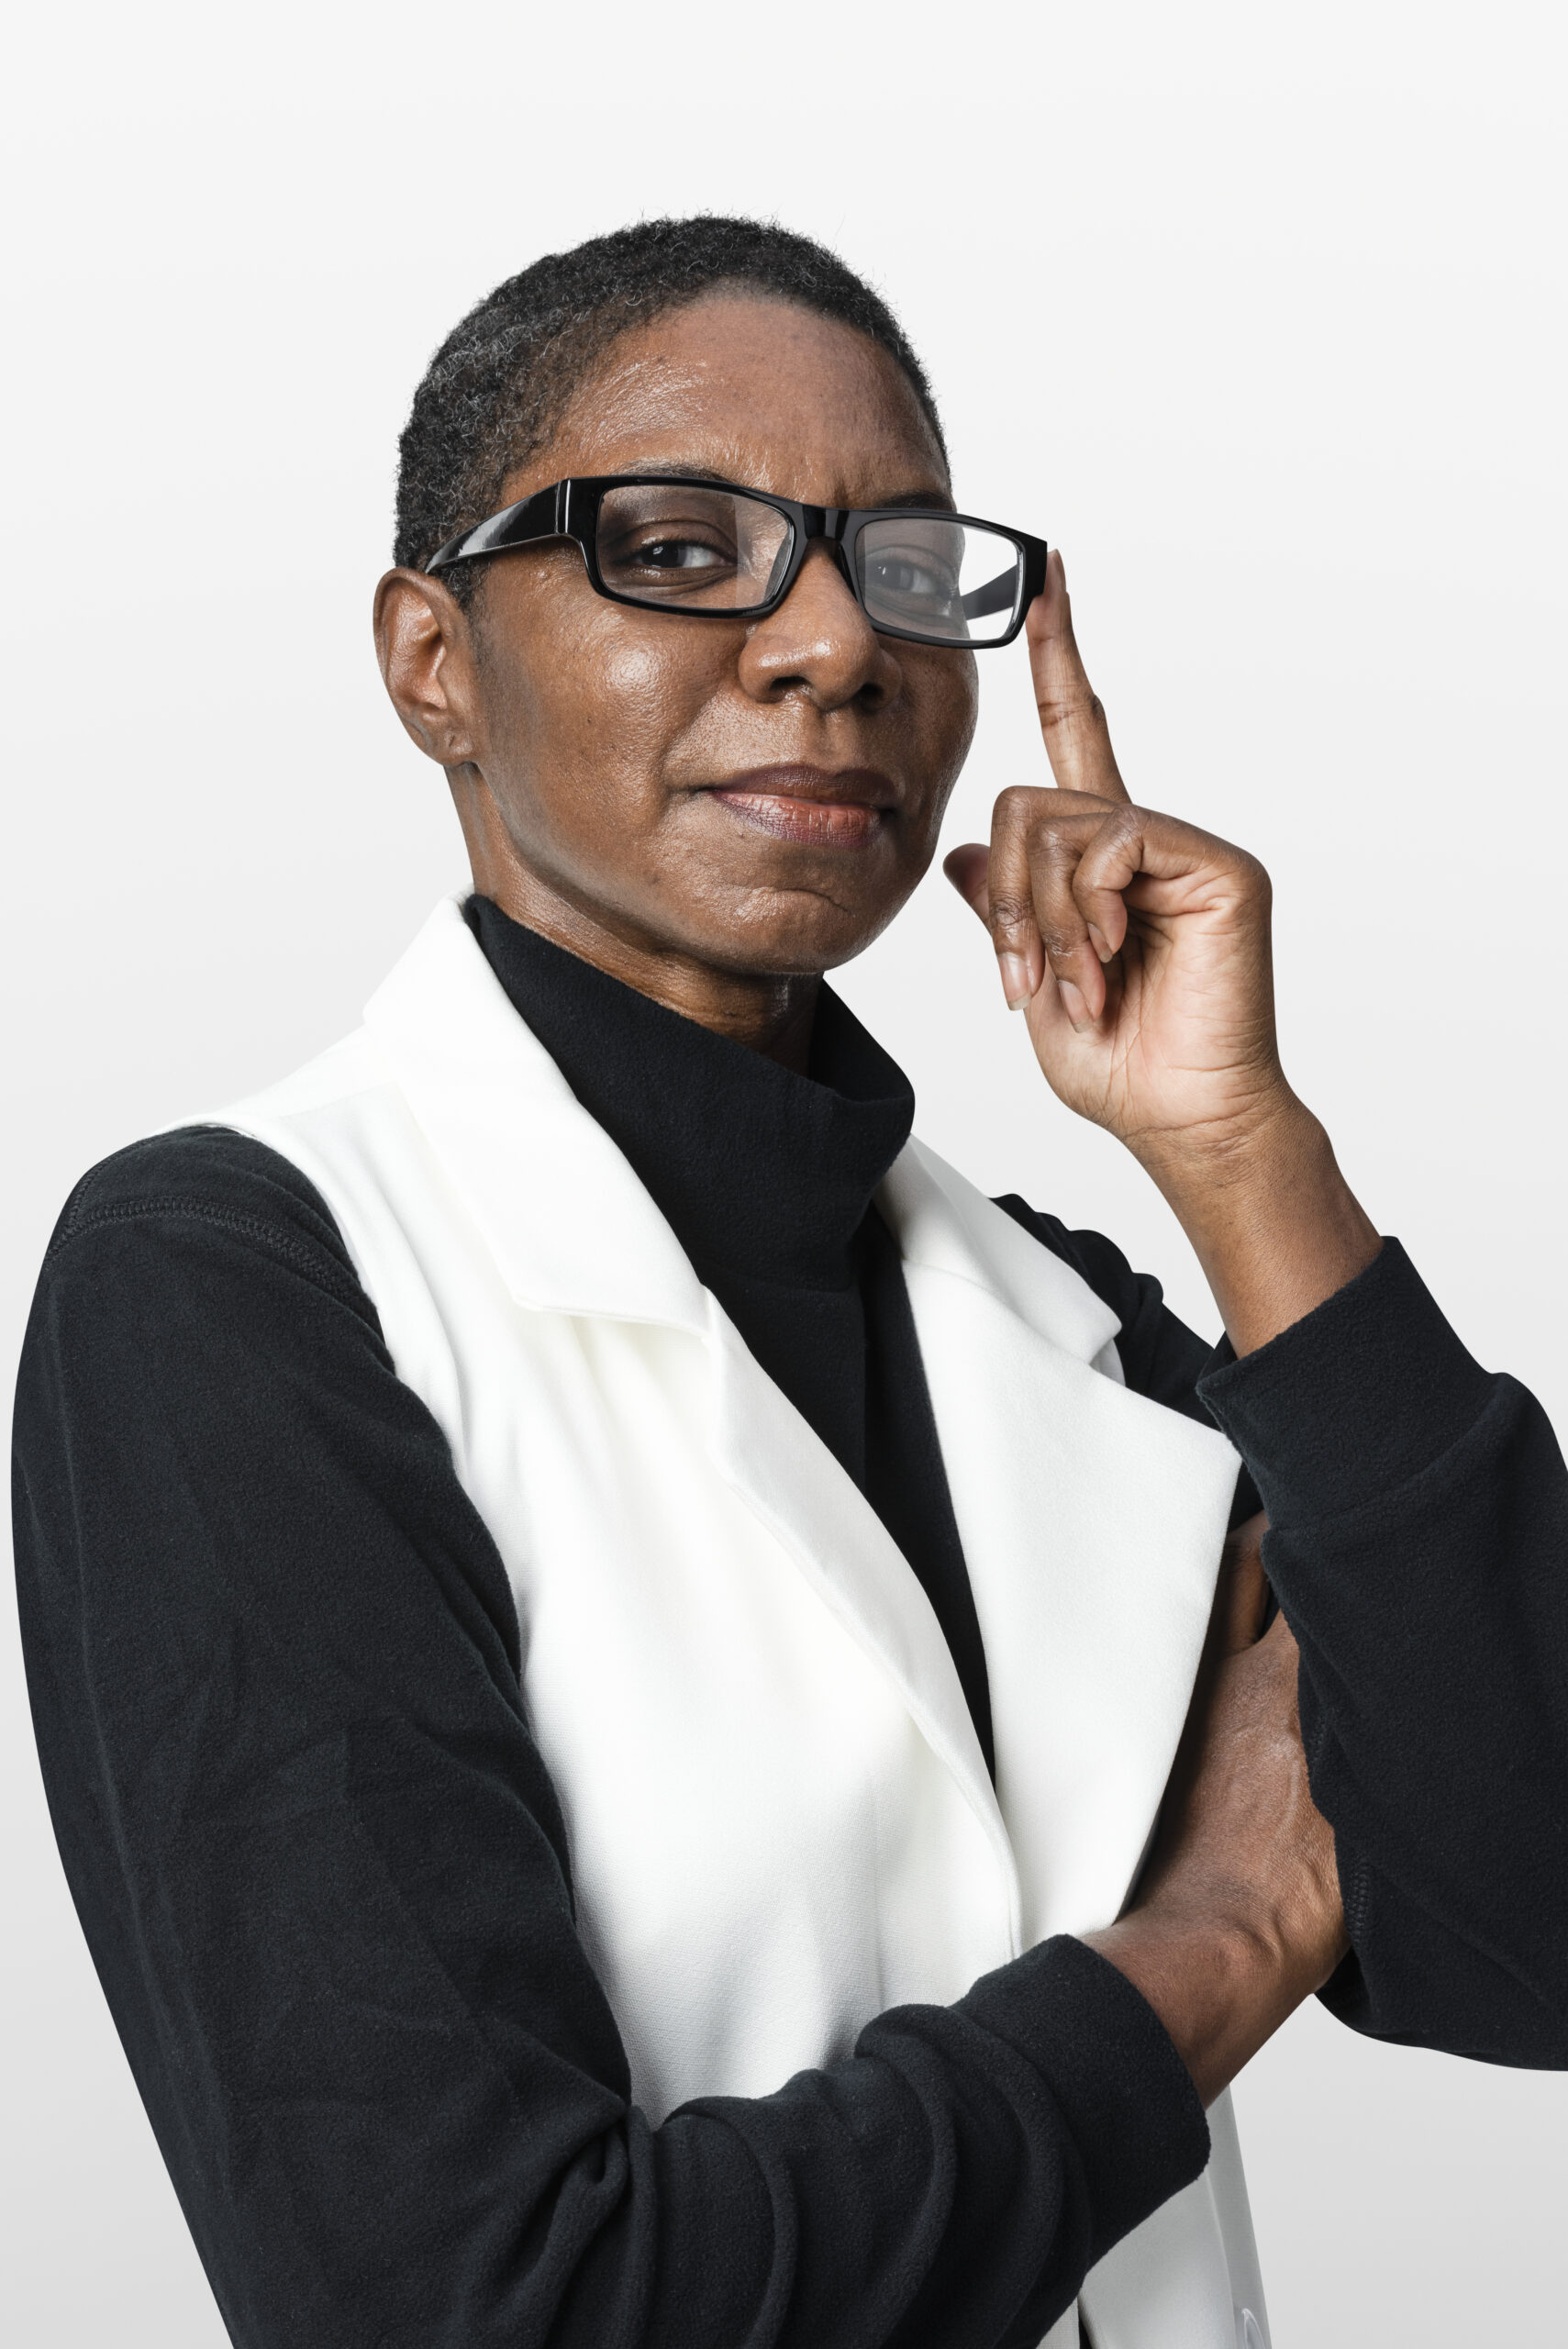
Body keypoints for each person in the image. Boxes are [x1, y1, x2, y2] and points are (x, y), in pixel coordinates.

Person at [11, 217, 1565, 2349]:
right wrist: (1207, 1942)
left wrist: (1240, 1153)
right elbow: (492, 2307)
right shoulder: (240, 1287)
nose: (834, 639)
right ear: (430, 660)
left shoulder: (1069, 1326)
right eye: (675, 542)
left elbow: (1535, 1924)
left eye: (905, 563)